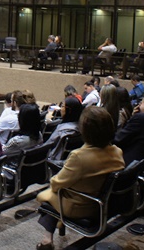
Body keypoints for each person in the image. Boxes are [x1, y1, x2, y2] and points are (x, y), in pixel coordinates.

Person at [36, 107, 125, 250]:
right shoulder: (117, 151)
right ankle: (49, 237)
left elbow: (57, 183)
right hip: (102, 203)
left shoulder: (80, 156)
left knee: (49, 195)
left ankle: (47, 240)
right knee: (56, 194)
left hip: (81, 206)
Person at [3, 103, 43, 169]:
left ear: (22, 119)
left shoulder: (16, 141)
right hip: (30, 170)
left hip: (11, 168)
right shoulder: (39, 135)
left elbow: (2, 155)